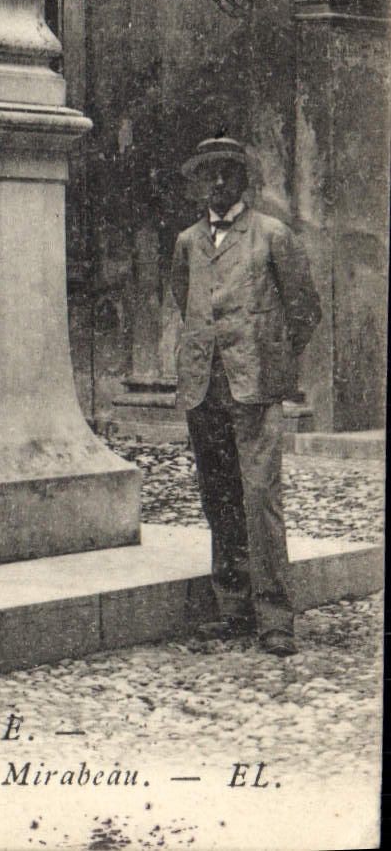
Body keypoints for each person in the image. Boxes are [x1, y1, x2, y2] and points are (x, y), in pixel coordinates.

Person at [171, 136, 323, 656]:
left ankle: (275, 618)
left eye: (228, 173)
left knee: (261, 499)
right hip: (203, 387)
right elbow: (187, 304)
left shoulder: (272, 235)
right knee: (219, 498)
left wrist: (270, 360)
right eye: (209, 173)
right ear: (198, 180)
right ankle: (232, 607)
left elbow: (304, 310)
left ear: (244, 179)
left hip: (253, 386)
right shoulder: (188, 242)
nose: (218, 183)